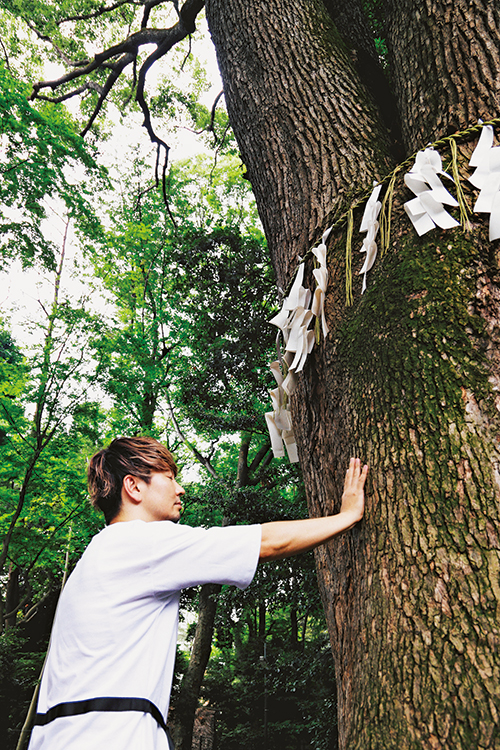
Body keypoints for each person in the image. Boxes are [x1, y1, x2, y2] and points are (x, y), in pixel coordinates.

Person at [28, 436, 368, 750]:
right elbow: (264, 542)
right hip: (109, 737)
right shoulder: (140, 542)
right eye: (169, 478)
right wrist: (346, 516)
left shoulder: (99, 553)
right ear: (133, 487)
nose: (180, 489)